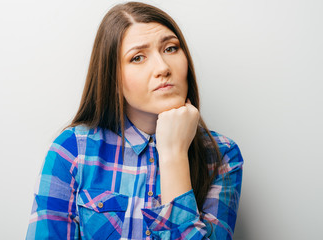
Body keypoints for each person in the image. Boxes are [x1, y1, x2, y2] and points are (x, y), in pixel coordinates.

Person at [26, 2, 243, 239]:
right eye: (138, 57)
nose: (163, 67)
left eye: (170, 48)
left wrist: (174, 155)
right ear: (113, 78)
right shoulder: (73, 150)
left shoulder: (221, 155)